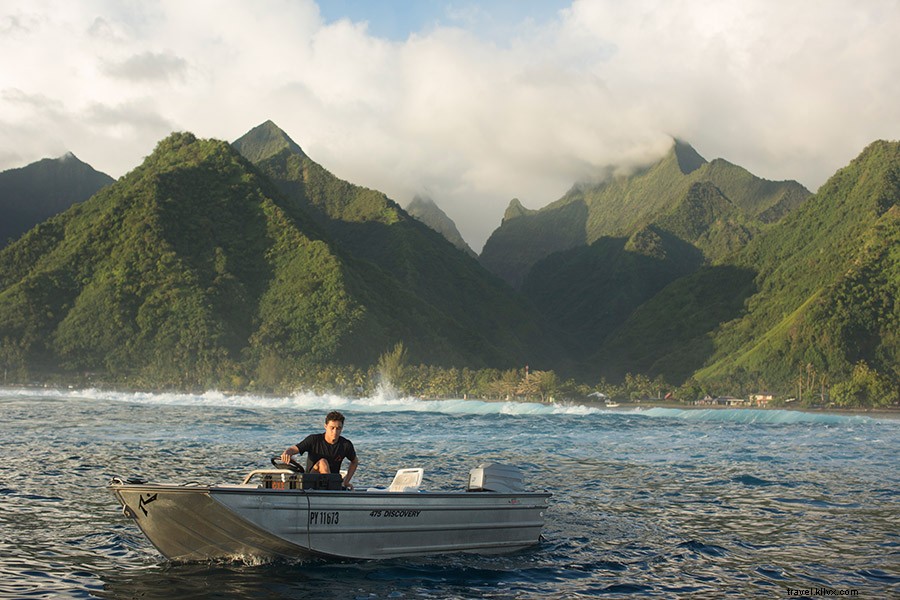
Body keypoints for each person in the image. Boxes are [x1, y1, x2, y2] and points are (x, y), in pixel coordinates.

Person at [281, 410, 358, 489]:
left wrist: (346, 482)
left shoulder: (346, 445)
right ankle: (330, 489)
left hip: (332, 481)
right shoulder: (313, 440)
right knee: (323, 462)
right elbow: (294, 449)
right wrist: (287, 452)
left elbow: (354, 461)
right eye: (332, 428)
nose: (335, 432)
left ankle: (332, 488)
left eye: (338, 428)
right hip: (310, 481)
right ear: (325, 426)